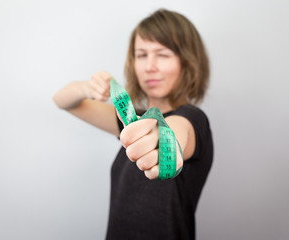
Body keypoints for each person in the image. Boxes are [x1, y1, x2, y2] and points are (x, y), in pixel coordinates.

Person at [53, 9, 213, 240]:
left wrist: (163, 140)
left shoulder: (193, 119)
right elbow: (62, 100)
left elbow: (177, 132)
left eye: (163, 54)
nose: (150, 66)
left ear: (186, 61)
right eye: (141, 55)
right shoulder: (131, 120)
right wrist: (87, 88)